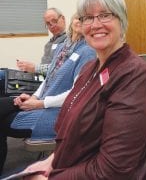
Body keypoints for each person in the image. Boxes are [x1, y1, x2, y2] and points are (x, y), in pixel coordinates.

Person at [22, 0, 146, 180]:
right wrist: (52, 160)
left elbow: (112, 172)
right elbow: (75, 132)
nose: (95, 25)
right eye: (87, 18)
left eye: (105, 15)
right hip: (73, 162)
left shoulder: (134, 75)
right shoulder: (90, 68)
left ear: (122, 20)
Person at [0, 13, 96, 176]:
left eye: (87, 19)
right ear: (72, 20)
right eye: (79, 17)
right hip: (42, 103)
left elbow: (77, 93)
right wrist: (34, 97)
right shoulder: (64, 47)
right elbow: (49, 78)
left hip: (57, 113)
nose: (80, 21)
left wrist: (40, 103)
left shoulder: (87, 51)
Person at [0, 8, 67, 88]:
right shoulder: (49, 44)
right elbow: (43, 68)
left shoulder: (69, 41)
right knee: (5, 73)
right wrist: (27, 67)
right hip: (41, 79)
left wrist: (34, 68)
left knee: (3, 76)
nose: (52, 25)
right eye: (48, 23)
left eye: (54, 21)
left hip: (51, 84)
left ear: (63, 19)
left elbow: (60, 67)